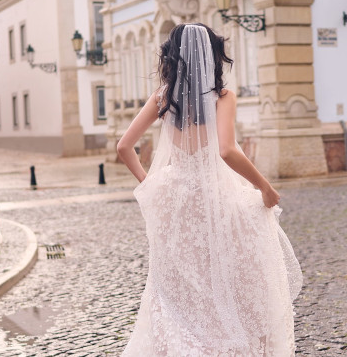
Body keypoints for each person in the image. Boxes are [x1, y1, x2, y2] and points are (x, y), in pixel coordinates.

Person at [117, 23, 303, 356]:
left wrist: (152, 185)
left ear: (173, 57)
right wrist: (266, 188)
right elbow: (227, 151)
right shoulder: (223, 98)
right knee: (231, 280)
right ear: (213, 56)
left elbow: (124, 147)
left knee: (182, 286)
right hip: (216, 199)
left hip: (176, 201)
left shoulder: (163, 97)